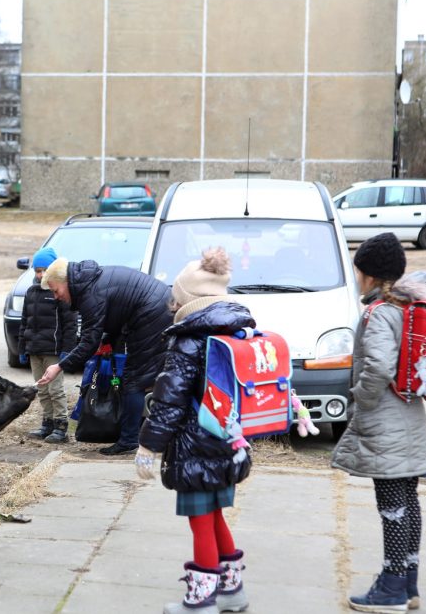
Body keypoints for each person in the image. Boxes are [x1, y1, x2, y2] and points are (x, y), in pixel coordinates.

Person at [135, 247, 255, 614]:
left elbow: (169, 402)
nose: (172, 306)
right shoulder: (234, 330)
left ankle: (201, 599)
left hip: (194, 444)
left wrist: (148, 447)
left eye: (175, 298)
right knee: (216, 512)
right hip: (228, 439)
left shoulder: (190, 340)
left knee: (201, 520)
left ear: (189, 299)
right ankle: (232, 591)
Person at [331, 232, 426, 613]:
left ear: (371, 275)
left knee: (391, 504)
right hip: (408, 416)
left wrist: (361, 396)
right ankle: (408, 582)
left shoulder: (379, 313)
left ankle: (391, 587)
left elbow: (377, 365)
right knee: (407, 500)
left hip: (385, 420)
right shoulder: (405, 307)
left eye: (359, 270)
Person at [37, 257, 172, 455]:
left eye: (56, 290)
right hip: (153, 307)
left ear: (66, 282)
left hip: (153, 312)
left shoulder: (89, 294)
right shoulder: (88, 284)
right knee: (144, 377)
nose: (56, 296)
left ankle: (129, 441)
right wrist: (108, 340)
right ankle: (153, 432)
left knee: (135, 380)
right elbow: (116, 311)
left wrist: (60, 366)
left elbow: (88, 341)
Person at [18, 247, 78, 443]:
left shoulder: (58, 292)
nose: (41, 274)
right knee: (42, 389)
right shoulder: (31, 292)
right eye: (37, 270)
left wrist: (67, 350)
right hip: (35, 349)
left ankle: (61, 426)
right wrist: (22, 347)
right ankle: (48, 423)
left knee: (55, 389)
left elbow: (69, 324)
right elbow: (24, 321)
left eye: (44, 270)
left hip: (53, 351)